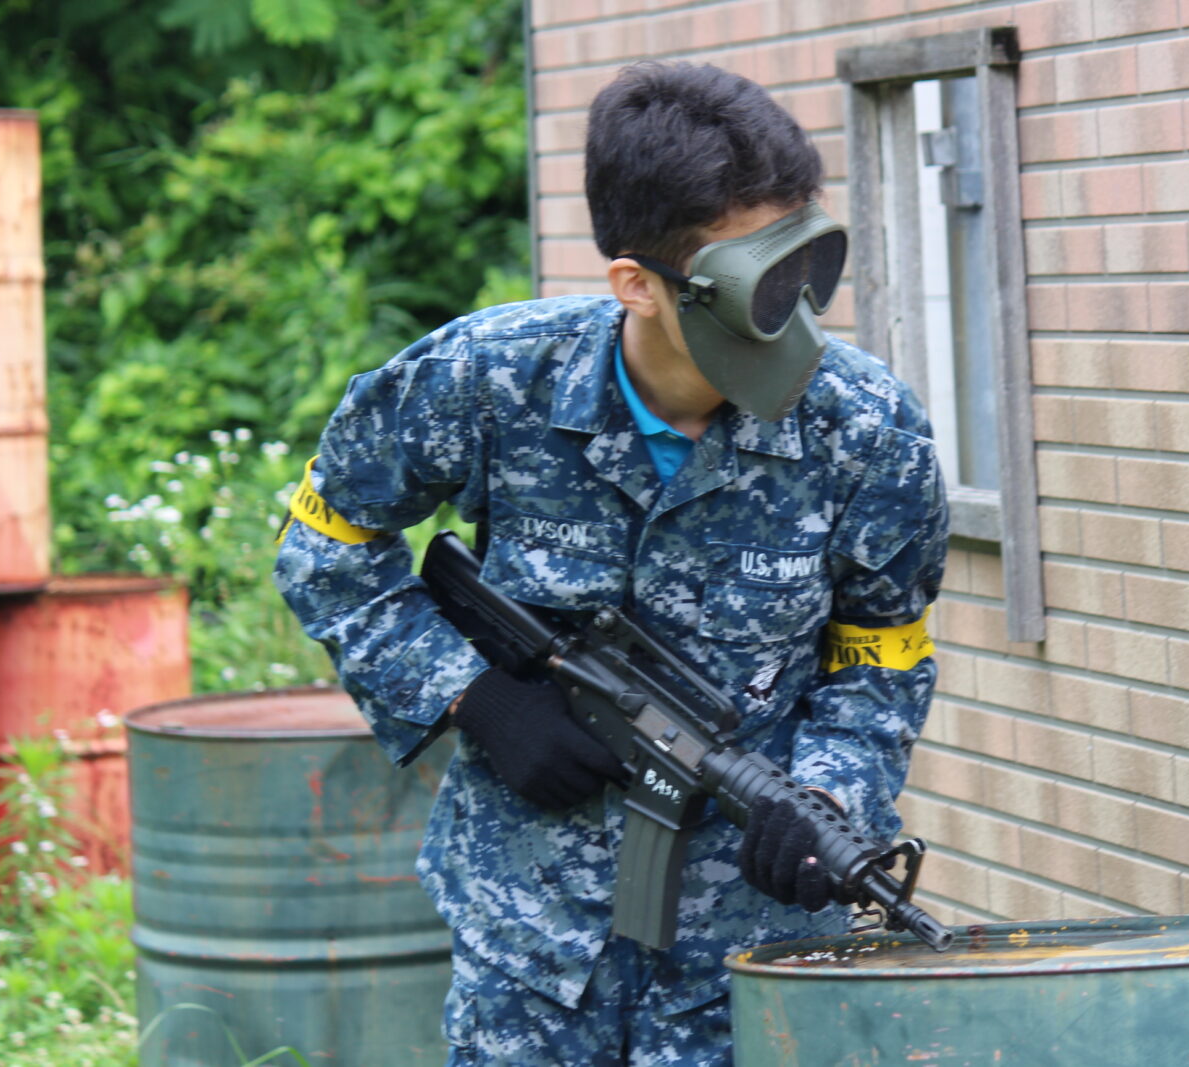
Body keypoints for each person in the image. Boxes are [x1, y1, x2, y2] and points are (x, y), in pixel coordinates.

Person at [274, 60, 948, 1066]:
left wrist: (830, 797)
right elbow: (325, 543)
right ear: (638, 284)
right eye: (754, 281)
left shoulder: (868, 431)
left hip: (750, 959)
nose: (791, 309)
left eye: (802, 265)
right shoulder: (489, 378)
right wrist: (472, 697)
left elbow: (881, 651)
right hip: (528, 939)